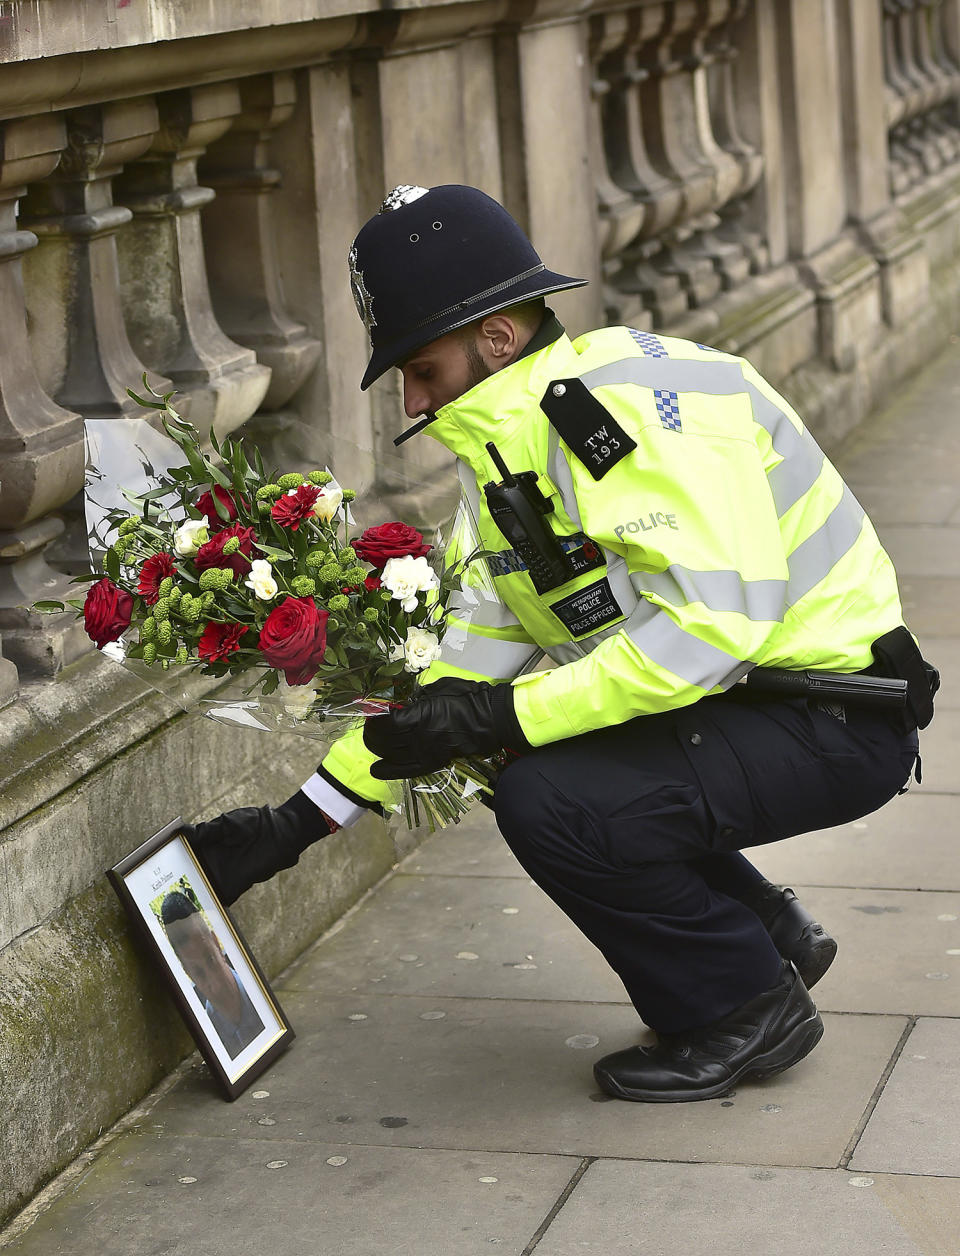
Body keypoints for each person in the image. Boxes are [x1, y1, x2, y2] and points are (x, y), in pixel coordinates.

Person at [186, 183, 937, 1103]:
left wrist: (505, 713)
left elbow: (713, 627)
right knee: (517, 749)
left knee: (551, 796)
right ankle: (766, 931)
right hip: (762, 704)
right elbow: (464, 665)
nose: (411, 400)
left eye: (421, 369)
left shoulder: (629, 411)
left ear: (495, 339)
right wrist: (295, 826)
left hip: (837, 717)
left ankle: (742, 1008)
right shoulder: (511, 446)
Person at [160, 889, 264, 1059]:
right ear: (187, 973)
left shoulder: (261, 999)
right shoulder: (208, 1032)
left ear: (217, 943)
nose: (215, 986)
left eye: (211, 959)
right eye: (198, 973)